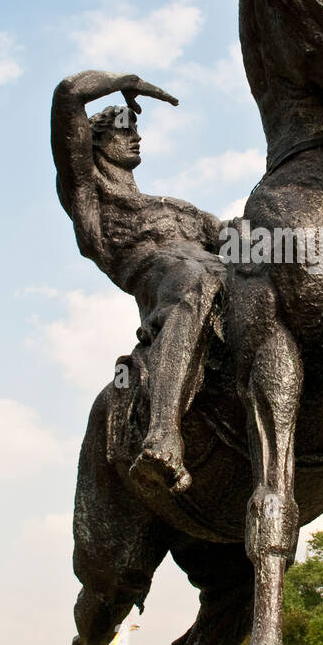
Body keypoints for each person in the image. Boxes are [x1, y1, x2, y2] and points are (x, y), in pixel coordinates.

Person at [51, 71, 225, 492]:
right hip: (172, 288)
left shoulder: (178, 209)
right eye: (123, 130)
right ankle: (163, 434)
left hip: (221, 276)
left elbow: (240, 239)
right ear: (95, 144)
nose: (135, 137)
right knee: (196, 278)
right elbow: (69, 95)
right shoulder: (89, 196)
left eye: (136, 129)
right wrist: (126, 80)